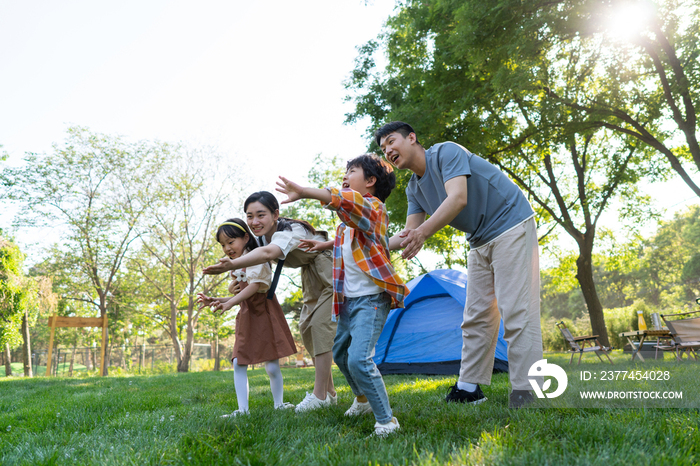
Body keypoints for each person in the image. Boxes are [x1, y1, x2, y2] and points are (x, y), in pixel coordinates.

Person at [376, 121, 542, 408]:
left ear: (412, 138)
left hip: (511, 223)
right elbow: (408, 234)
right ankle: (468, 388)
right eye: (382, 148)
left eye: (392, 141)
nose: (388, 150)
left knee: (516, 309)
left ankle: (528, 388)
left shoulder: (446, 153)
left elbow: (458, 198)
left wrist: (423, 233)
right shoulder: (414, 188)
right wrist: (365, 246)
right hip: (479, 239)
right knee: (476, 315)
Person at [276, 154, 408, 437]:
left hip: (372, 299)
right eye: (345, 172)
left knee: (359, 359)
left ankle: (386, 421)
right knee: (340, 352)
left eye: (352, 171)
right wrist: (323, 242)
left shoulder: (373, 207)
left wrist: (304, 192)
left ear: (370, 182)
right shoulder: (347, 223)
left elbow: (343, 201)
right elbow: (348, 236)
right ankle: (362, 400)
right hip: (348, 299)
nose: (345, 175)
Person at [203, 192, 337, 413]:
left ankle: (319, 394)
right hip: (310, 274)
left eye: (260, 215)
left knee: (320, 327)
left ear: (275, 214)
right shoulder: (262, 238)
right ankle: (330, 393)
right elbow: (257, 269)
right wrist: (232, 286)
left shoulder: (288, 231)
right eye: (250, 216)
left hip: (329, 267)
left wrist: (230, 266)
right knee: (307, 329)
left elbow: (268, 254)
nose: (255, 222)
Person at [197, 218, 297, 416]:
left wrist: (230, 302)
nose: (227, 248)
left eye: (231, 242)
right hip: (247, 315)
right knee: (239, 362)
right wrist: (217, 299)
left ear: (245, 237)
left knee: (271, 364)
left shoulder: (255, 258)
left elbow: (254, 287)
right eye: (223, 244)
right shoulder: (237, 265)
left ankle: (279, 404)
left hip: (264, 314)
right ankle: (243, 410)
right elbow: (242, 295)